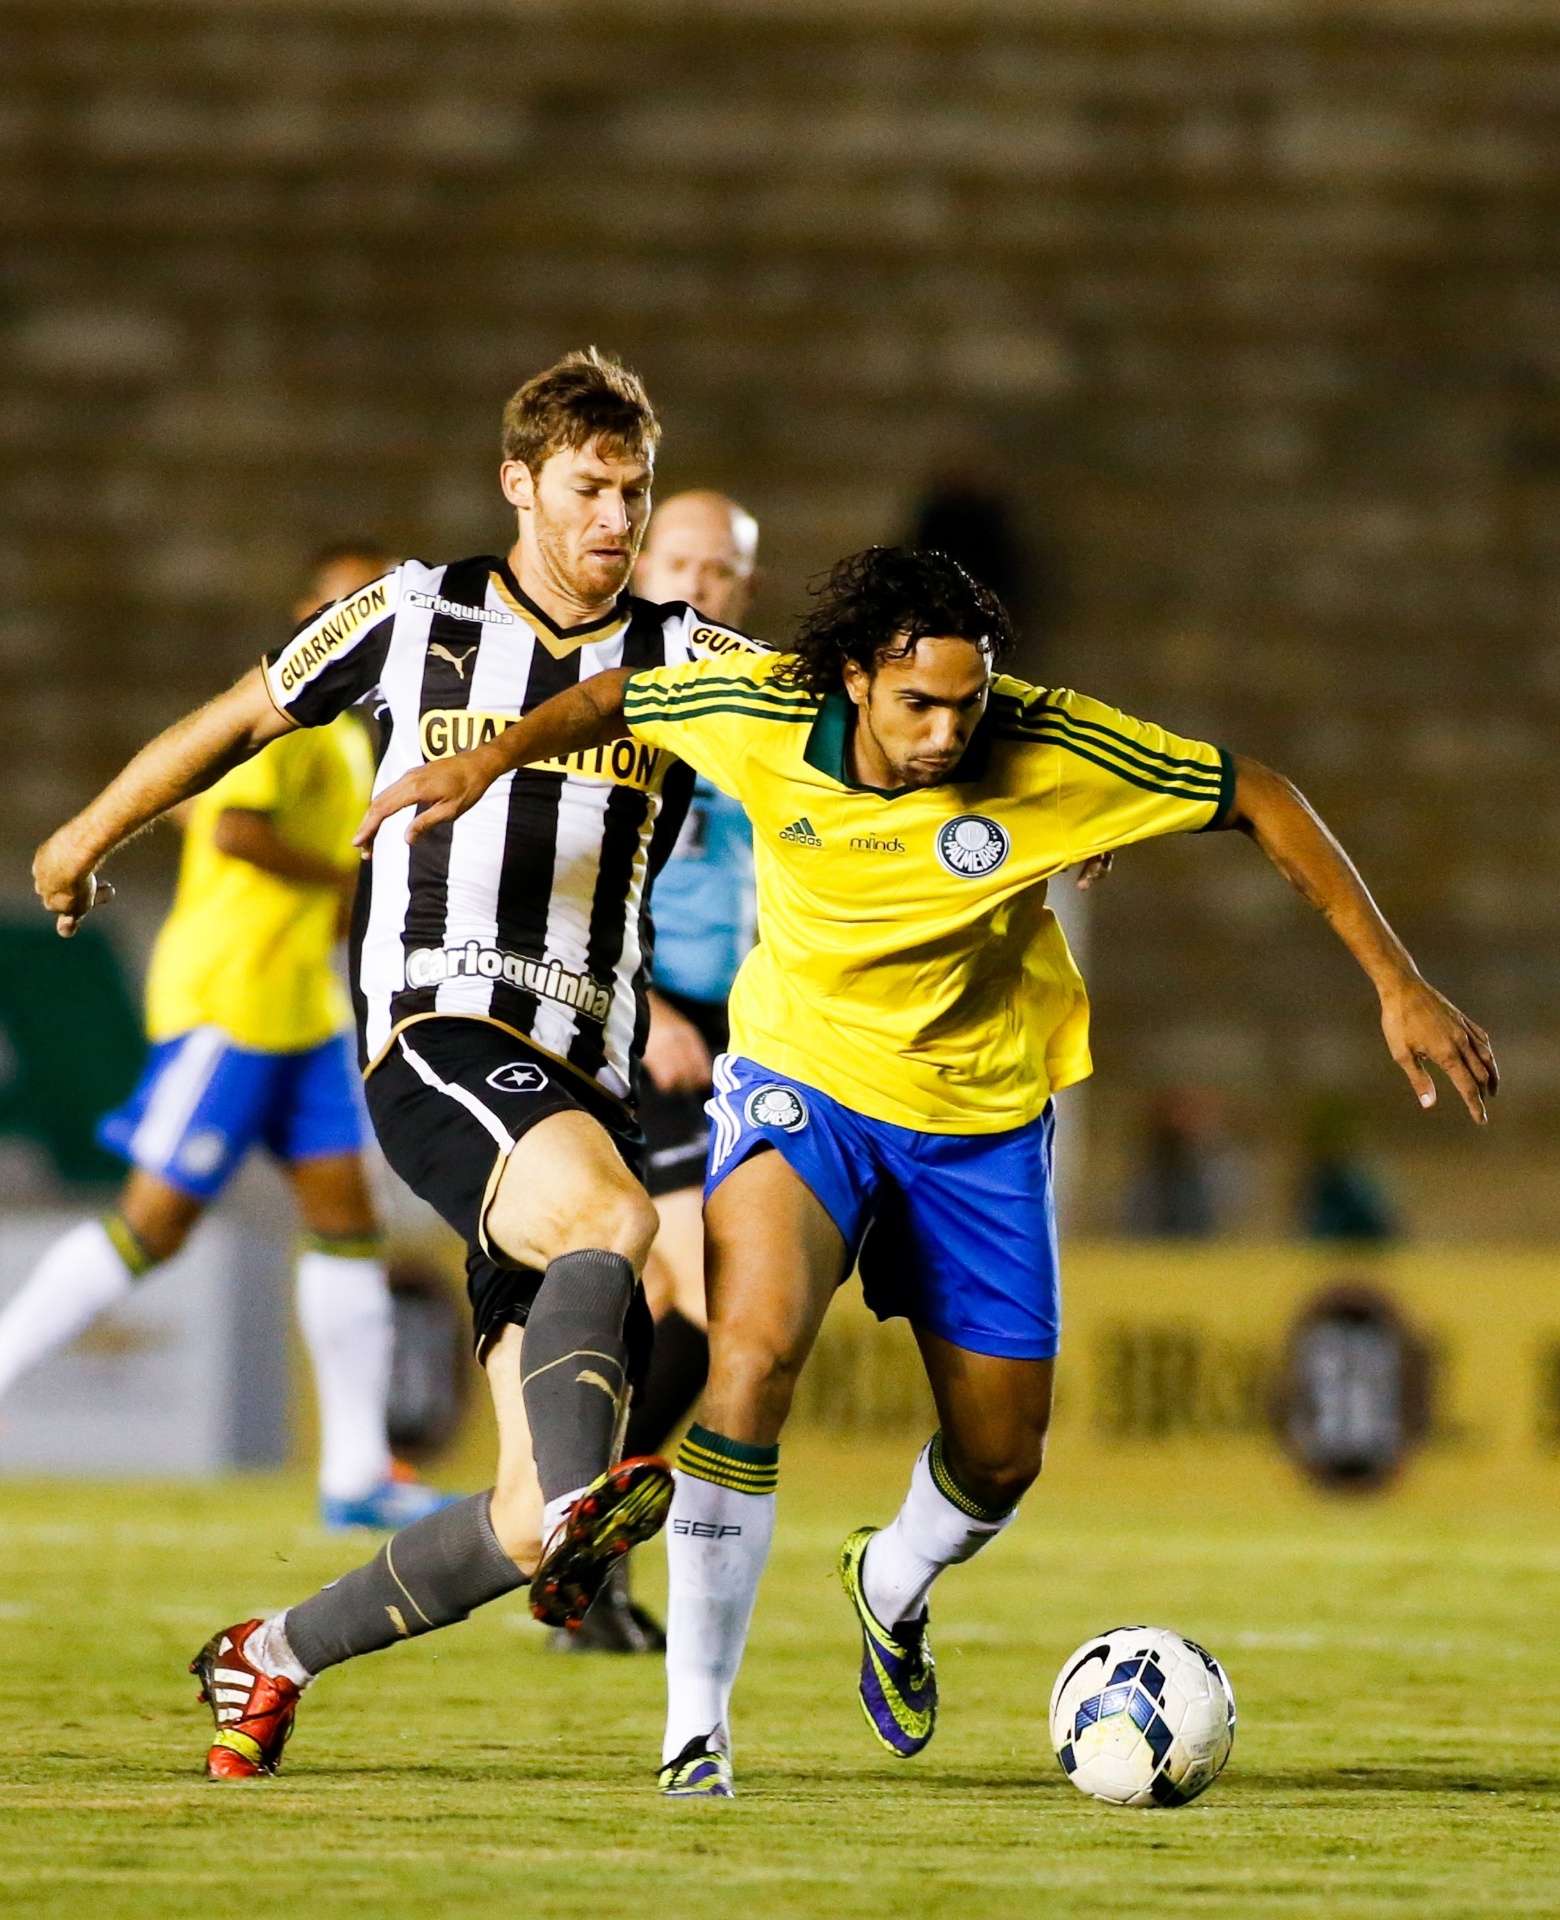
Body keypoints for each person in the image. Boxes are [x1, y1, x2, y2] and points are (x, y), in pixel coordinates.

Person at [354, 543, 1498, 1799]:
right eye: (921, 704)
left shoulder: (1053, 749)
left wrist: (1396, 983)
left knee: (1002, 1455)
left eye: (971, 699)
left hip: (982, 1123)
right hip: (803, 1090)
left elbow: (1265, 794)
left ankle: (890, 1579)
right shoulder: (762, 710)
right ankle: (697, 1735)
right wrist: (483, 757)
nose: (952, 728)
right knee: (751, 1354)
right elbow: (618, 692)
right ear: (851, 681)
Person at [31, 349, 764, 1781]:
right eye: (589, 489)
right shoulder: (410, 616)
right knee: (618, 1225)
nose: (616, 519)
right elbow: (234, 720)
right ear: (520, 482)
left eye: (635, 491)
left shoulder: (687, 663)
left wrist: (1041, 804)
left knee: (508, 1507)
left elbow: (856, 736)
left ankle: (274, 1652)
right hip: (439, 1042)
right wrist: (81, 836)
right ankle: (584, 1529)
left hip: (577, 1092)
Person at [0, 542, 453, 1532]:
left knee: (348, 1226)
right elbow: (235, 831)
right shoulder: (290, 725)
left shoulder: (349, 742)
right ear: (309, 612)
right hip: (235, 1004)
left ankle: (356, 1475)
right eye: (346, 601)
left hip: (303, 1010)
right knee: (151, 1227)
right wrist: (352, 886)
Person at [558, 490, 761, 1653]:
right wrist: (652, 1015)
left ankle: (576, 1529)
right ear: (641, 566)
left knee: (686, 1310)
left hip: (745, 1039)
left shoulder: (745, 705)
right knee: (706, 1297)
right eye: (678, 561)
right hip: (658, 1031)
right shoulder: (626, 705)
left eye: (721, 570)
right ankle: (585, 1542)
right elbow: (585, 885)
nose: (699, 584)